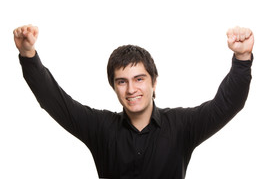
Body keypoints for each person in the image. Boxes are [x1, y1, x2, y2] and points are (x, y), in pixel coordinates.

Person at [13, 25, 254, 179]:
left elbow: (227, 104)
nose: (131, 89)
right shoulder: (100, 128)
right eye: (122, 81)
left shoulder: (182, 126)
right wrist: (28, 55)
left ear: (154, 82)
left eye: (139, 79)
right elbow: (55, 101)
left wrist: (242, 57)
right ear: (114, 86)